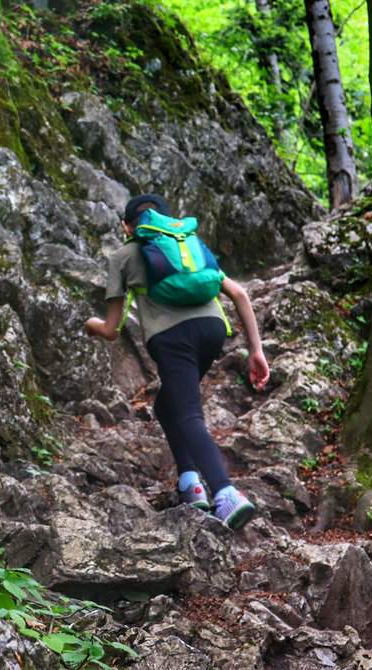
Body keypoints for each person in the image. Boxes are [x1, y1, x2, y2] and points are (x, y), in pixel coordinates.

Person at [83, 193, 270, 530]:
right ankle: (190, 484)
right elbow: (239, 294)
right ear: (166, 219)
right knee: (167, 407)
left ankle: (226, 494)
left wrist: (90, 325)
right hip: (212, 331)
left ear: (127, 226)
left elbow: (111, 329)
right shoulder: (190, 245)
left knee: (187, 414)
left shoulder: (124, 255)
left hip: (172, 339)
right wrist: (257, 350)